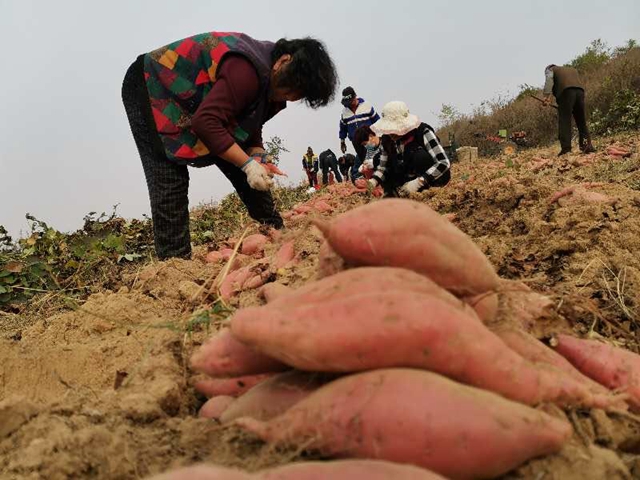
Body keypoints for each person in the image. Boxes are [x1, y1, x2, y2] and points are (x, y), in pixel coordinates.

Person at [122, 32, 337, 259]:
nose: (291, 97)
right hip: (152, 84)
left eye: (299, 96)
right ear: (283, 61)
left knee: (241, 157)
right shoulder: (246, 70)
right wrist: (247, 164)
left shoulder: (270, 81)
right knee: (170, 176)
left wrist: (256, 151)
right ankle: (174, 263)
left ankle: (276, 231)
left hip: (197, 102)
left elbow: (247, 116)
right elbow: (207, 123)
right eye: (292, 90)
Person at [364, 101, 451, 197]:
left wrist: (420, 181)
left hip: (430, 177)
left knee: (420, 156)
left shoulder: (422, 132)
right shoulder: (387, 140)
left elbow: (443, 162)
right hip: (407, 177)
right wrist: (373, 181)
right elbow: (382, 167)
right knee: (377, 159)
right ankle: (392, 193)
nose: (391, 134)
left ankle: (428, 190)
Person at [542, 64, 595, 156]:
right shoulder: (571, 69)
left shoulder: (550, 69)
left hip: (566, 92)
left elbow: (549, 82)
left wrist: (546, 97)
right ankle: (587, 146)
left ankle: (566, 149)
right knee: (581, 121)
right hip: (580, 92)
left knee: (565, 121)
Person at [338, 86, 379, 180]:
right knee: (363, 160)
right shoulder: (344, 112)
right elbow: (343, 128)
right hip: (356, 142)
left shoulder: (366, 106)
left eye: (350, 102)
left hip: (369, 139)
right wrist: (342, 141)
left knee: (371, 158)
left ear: (355, 97)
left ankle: (376, 178)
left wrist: (380, 136)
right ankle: (367, 179)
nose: (349, 105)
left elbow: (377, 121)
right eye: (347, 103)